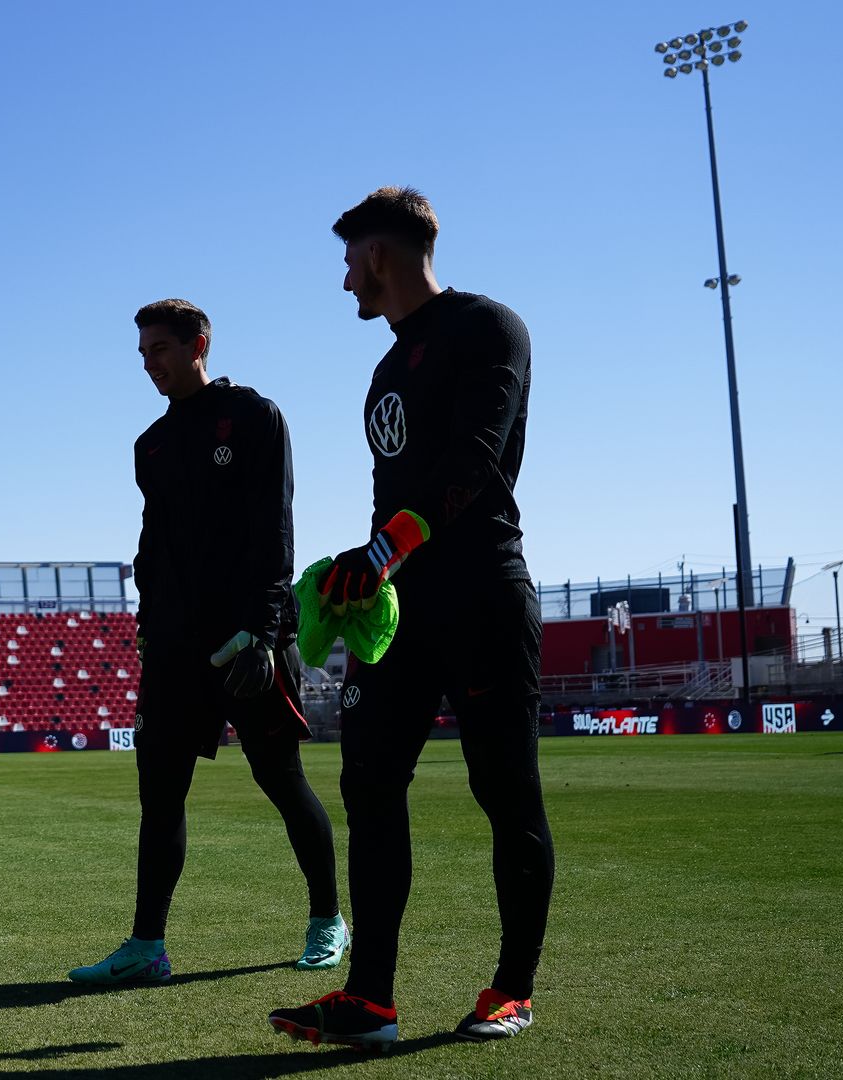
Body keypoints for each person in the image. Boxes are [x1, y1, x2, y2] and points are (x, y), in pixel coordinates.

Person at [269, 187, 554, 1049]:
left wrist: (384, 550)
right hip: (401, 615)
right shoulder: (387, 370)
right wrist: (359, 578)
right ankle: (370, 1002)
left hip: (484, 597)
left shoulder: (489, 328)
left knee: (504, 793)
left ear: (378, 256)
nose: (344, 281)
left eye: (348, 262)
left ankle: (511, 991)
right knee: (368, 786)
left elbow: (474, 463)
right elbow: (391, 493)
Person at [68, 299, 346, 988]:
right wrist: (148, 620)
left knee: (280, 779)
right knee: (160, 794)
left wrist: (264, 632)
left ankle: (328, 920)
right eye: (142, 353)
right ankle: (147, 946)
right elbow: (154, 541)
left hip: (248, 639)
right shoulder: (151, 445)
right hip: (173, 646)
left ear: (198, 346)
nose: (147, 364)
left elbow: (274, 529)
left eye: (159, 349)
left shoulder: (254, 417)